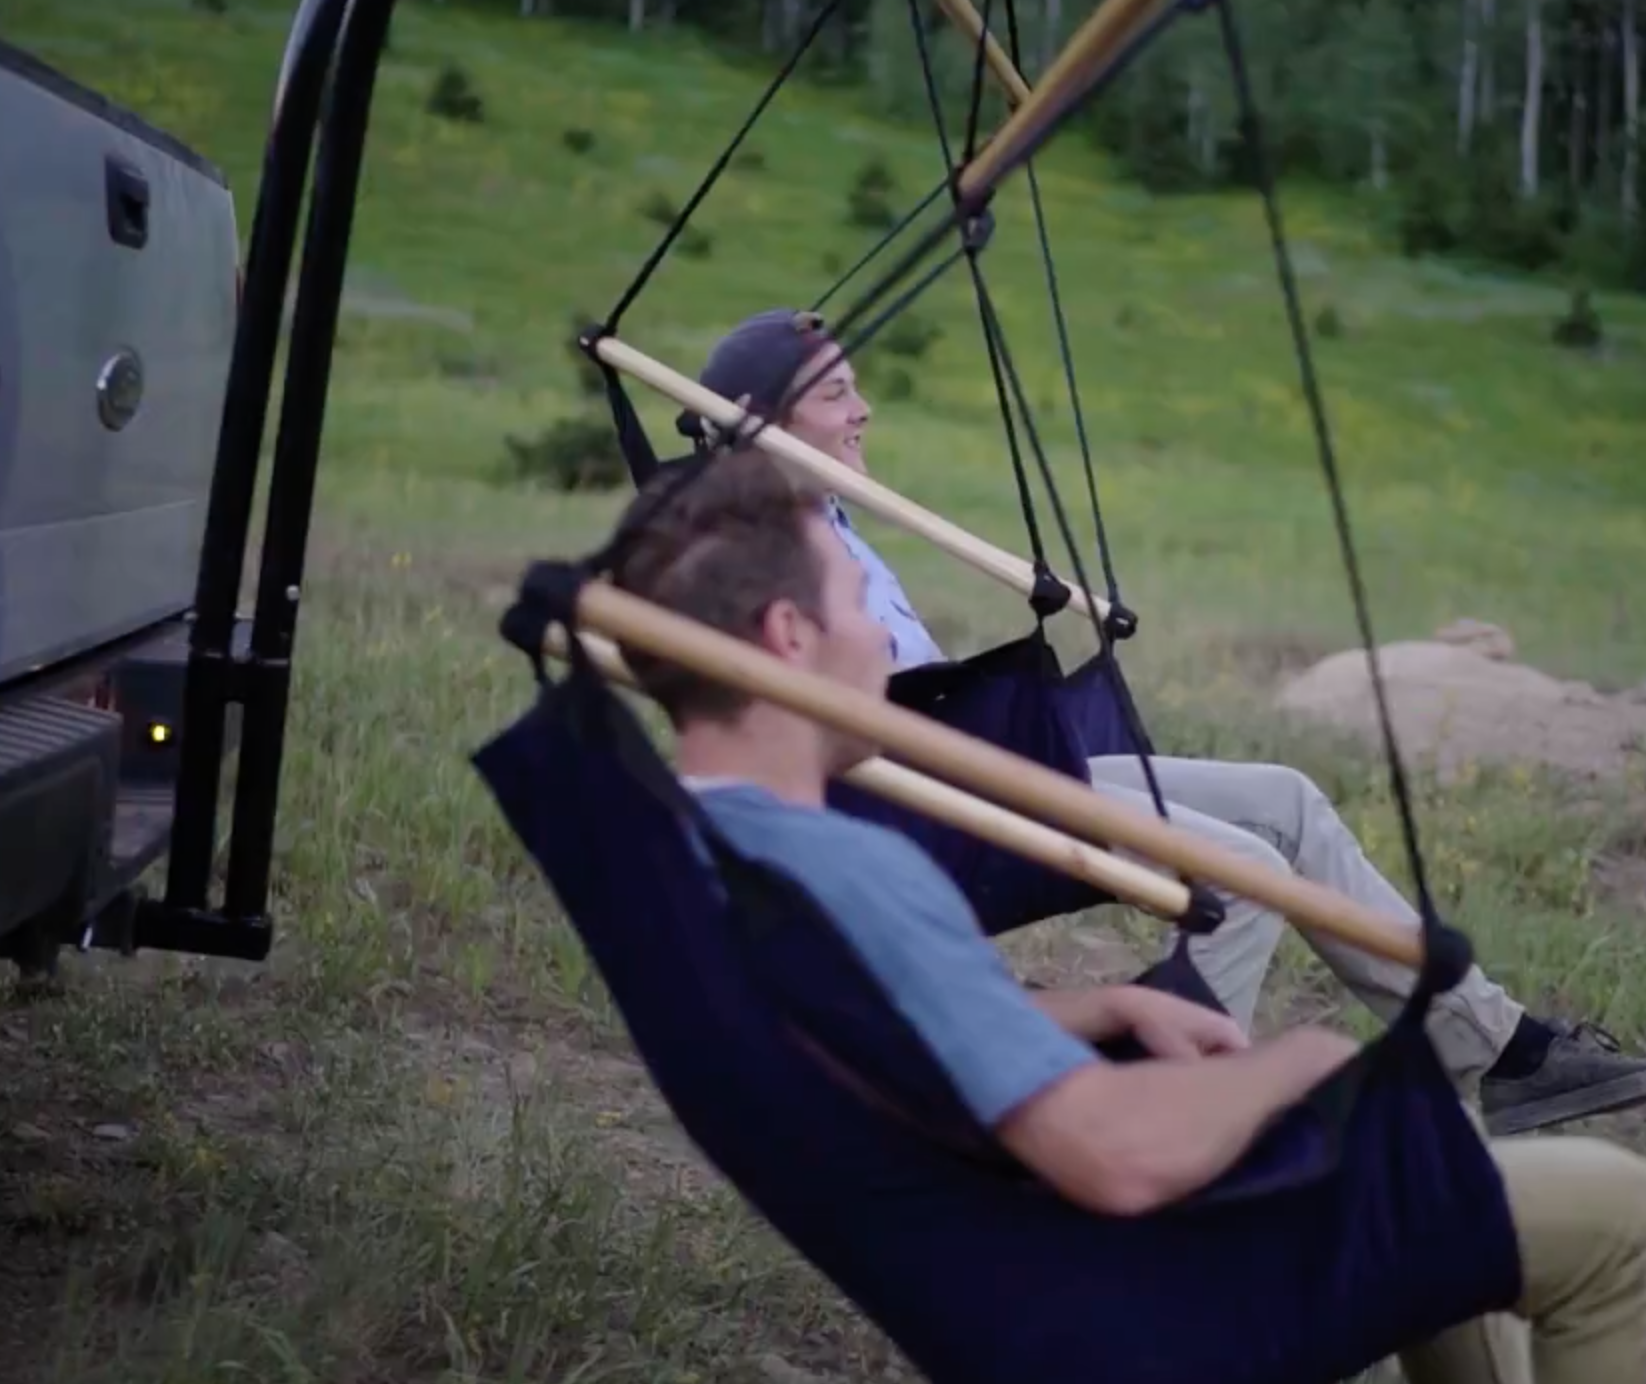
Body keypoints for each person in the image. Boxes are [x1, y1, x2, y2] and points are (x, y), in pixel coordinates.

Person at [603, 445, 1646, 1382]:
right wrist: (1300, 1062)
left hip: (1005, 1264)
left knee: (1431, 1161)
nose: (887, 640)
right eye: (860, 606)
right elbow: (1115, 1155)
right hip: (1112, 1301)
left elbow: (874, 1036)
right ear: (787, 635)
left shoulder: (695, 854)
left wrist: (1102, 1003)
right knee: (1608, 1213)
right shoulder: (842, 868)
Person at [681, 306, 1646, 1139]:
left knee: (1288, 801)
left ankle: (1500, 1052)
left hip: (979, 768)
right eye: (837, 393)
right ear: (762, 423)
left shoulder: (831, 519)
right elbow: (800, 738)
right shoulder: (758, 552)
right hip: (935, 803)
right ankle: (1145, 1111)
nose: (864, 409)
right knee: (1247, 875)